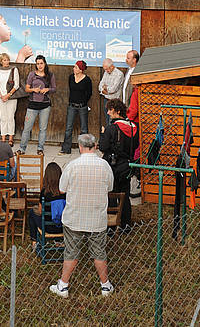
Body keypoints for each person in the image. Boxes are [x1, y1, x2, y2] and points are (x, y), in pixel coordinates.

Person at [50, 133, 114, 299]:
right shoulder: (104, 165)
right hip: (96, 217)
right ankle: (105, 285)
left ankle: (63, 285)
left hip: (74, 217)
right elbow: (109, 187)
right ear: (95, 146)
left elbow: (62, 189)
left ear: (80, 147)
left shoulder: (72, 166)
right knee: (99, 252)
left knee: (71, 252)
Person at [99, 98, 139, 229]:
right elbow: (136, 145)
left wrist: (103, 134)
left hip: (113, 166)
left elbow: (103, 147)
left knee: (111, 195)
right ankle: (126, 225)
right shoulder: (134, 127)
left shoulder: (111, 128)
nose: (108, 112)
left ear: (117, 111)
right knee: (125, 196)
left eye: (110, 110)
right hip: (127, 166)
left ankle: (111, 226)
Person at [17, 55, 56, 156]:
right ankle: (22, 148)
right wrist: (34, 90)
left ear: (45, 63)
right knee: (27, 128)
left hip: (45, 106)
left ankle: (40, 148)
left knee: (43, 129)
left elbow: (54, 89)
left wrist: (47, 89)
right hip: (32, 105)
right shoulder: (32, 74)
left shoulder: (50, 75)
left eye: (41, 63)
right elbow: (26, 89)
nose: (39, 65)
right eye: (38, 63)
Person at [28, 162, 66, 247]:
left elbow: (40, 212)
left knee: (31, 212)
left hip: (48, 227)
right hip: (63, 227)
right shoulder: (64, 192)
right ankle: (58, 241)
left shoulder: (45, 192)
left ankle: (34, 241)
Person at [59, 61, 92, 155]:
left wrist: (83, 101)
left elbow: (89, 93)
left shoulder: (87, 80)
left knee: (84, 129)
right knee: (68, 127)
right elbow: (71, 89)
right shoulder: (71, 77)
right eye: (74, 67)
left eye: (76, 67)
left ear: (81, 70)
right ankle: (66, 149)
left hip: (82, 106)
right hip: (72, 105)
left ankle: (84, 150)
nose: (74, 69)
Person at [0, 53, 19, 145]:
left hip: (11, 97)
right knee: (3, 117)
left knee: (10, 117)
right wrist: (2, 96)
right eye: (4, 60)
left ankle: (11, 139)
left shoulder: (14, 69)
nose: (6, 62)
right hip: (0, 97)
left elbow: (16, 85)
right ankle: (3, 138)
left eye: (7, 59)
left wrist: (8, 95)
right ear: (1, 61)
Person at [98, 59, 124, 127]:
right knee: (107, 120)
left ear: (112, 66)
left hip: (114, 102)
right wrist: (103, 89)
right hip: (106, 99)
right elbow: (100, 85)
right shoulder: (106, 72)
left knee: (113, 121)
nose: (106, 71)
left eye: (107, 69)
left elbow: (113, 89)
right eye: (105, 69)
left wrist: (105, 88)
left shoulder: (119, 74)